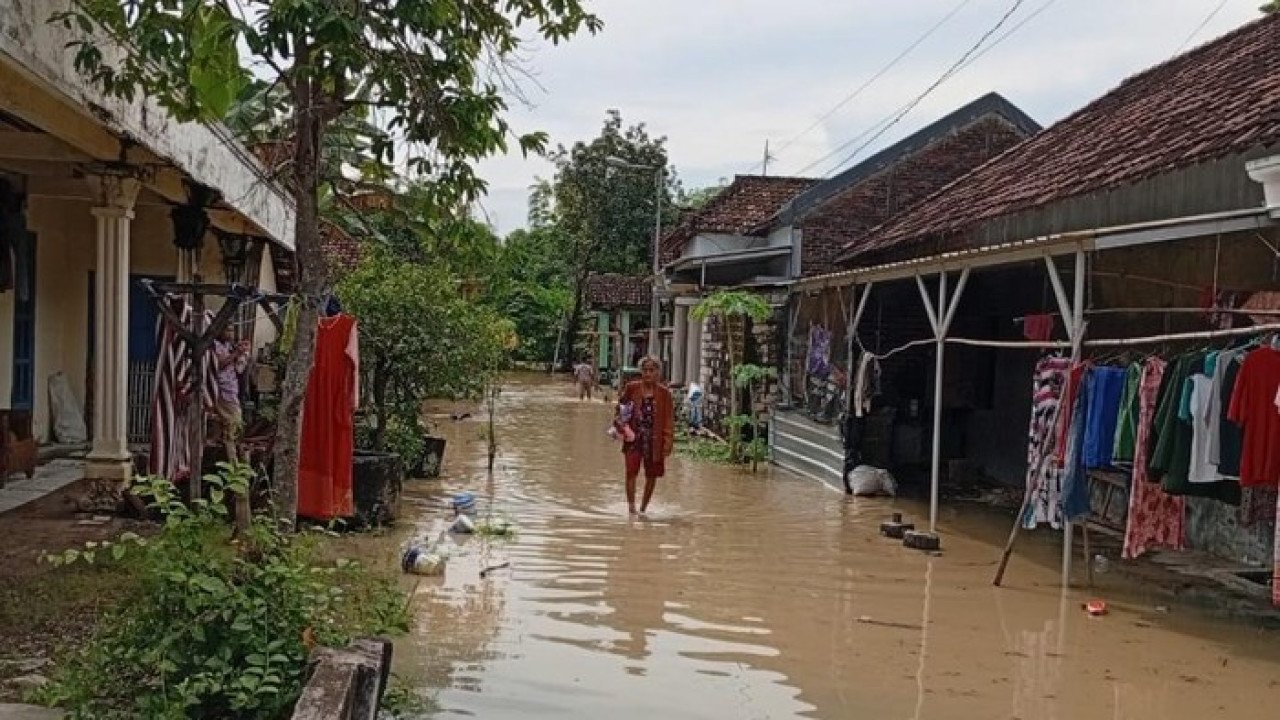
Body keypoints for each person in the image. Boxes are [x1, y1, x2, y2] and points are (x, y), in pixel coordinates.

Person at [616, 355, 674, 516]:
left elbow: (669, 419)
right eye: (645, 370)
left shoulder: (664, 393)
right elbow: (621, 408)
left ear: (658, 372)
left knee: (652, 474)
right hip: (634, 437)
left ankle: (643, 508)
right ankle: (631, 508)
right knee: (631, 471)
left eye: (652, 370)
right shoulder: (632, 388)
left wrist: (668, 442)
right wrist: (621, 426)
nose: (648, 373)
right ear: (641, 371)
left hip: (655, 440)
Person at [212, 325, 250, 462]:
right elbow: (219, 364)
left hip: (231, 390)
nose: (230, 333)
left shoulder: (229, 346)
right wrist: (236, 354)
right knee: (235, 424)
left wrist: (242, 353)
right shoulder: (214, 345)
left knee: (233, 427)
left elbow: (239, 369)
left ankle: (235, 459)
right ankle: (234, 464)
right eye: (227, 330)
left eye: (232, 330)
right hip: (222, 390)